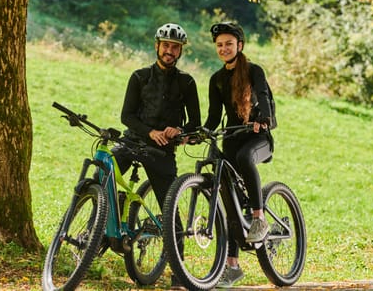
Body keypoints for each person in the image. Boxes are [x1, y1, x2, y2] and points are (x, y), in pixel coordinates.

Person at [112, 23, 201, 291]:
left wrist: (180, 130)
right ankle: (100, 227)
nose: (170, 51)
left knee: (169, 205)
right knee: (104, 172)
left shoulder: (186, 82)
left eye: (175, 47)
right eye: (166, 46)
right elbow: (126, 116)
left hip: (163, 151)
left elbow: (195, 123)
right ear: (157, 46)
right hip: (133, 141)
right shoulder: (139, 77)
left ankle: (178, 271)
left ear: (180, 51)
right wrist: (150, 132)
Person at [203, 22, 274, 288]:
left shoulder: (254, 71)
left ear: (239, 46)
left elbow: (264, 96)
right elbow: (213, 117)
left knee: (245, 158)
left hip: (258, 137)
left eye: (228, 44)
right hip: (231, 139)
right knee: (228, 197)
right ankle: (232, 267)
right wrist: (198, 133)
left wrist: (264, 119)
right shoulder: (216, 79)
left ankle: (258, 217)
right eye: (219, 45)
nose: (223, 48)